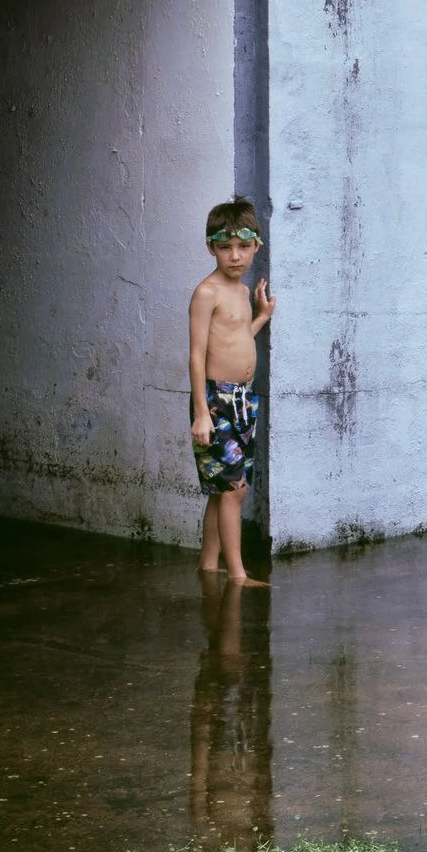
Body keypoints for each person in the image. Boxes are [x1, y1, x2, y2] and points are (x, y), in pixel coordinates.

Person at [189, 196, 273, 586]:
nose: (235, 256)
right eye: (226, 248)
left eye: (243, 246)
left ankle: (209, 564)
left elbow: (237, 338)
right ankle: (238, 575)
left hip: (242, 399)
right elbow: (197, 355)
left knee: (222, 488)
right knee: (234, 490)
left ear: (256, 246)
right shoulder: (207, 293)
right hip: (216, 401)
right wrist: (201, 414)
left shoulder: (240, 290)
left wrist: (262, 317)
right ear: (212, 248)